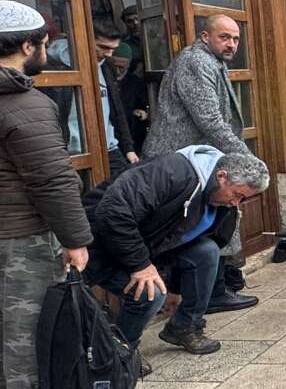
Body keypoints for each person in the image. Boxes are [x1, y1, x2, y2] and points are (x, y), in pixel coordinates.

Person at [0, 1, 92, 389]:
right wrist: (76, 239)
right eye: (43, 43)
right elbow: (53, 180)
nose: (47, 50)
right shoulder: (26, 103)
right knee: (26, 324)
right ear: (25, 45)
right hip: (19, 233)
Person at [83, 148, 269, 358]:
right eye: (237, 195)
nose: (236, 203)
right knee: (150, 292)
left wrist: (176, 286)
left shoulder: (220, 196)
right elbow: (113, 213)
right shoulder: (173, 173)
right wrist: (141, 266)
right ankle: (121, 353)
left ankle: (184, 327)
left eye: (243, 200)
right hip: (98, 242)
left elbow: (193, 237)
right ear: (222, 176)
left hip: (148, 243)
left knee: (206, 251)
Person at [144, 15, 256, 315]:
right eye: (224, 37)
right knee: (192, 227)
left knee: (212, 222)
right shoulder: (196, 61)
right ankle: (197, 296)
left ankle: (214, 289)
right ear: (205, 36)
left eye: (235, 38)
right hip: (176, 162)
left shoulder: (213, 61)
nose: (231, 43)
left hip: (197, 162)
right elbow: (209, 119)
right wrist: (245, 157)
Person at [49, 22, 138, 177]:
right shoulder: (55, 69)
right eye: (103, 47)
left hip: (109, 148)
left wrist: (128, 147)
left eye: (113, 49)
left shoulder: (106, 65)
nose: (109, 54)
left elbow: (116, 109)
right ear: (85, 39)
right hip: (73, 152)